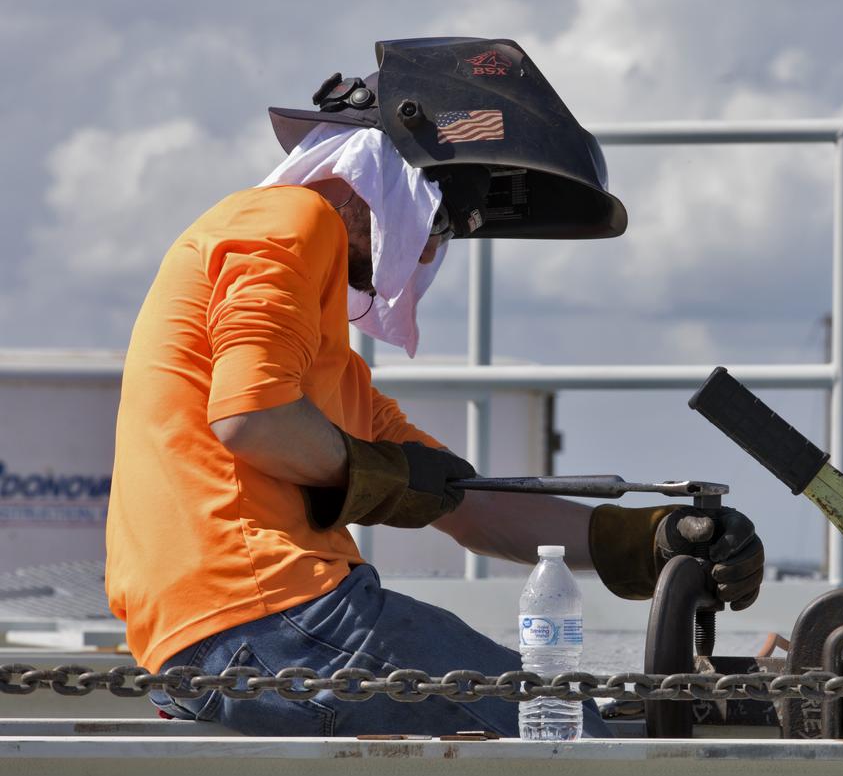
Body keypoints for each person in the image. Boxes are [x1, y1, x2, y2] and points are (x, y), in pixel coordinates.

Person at [105, 37, 765, 738]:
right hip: (269, 616)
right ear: (387, 176)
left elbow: (462, 500)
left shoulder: (328, 362)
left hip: (220, 638)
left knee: (556, 724)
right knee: (567, 732)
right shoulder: (289, 221)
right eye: (439, 220)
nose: (427, 250)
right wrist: (384, 478)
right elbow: (254, 418)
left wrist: (649, 538)